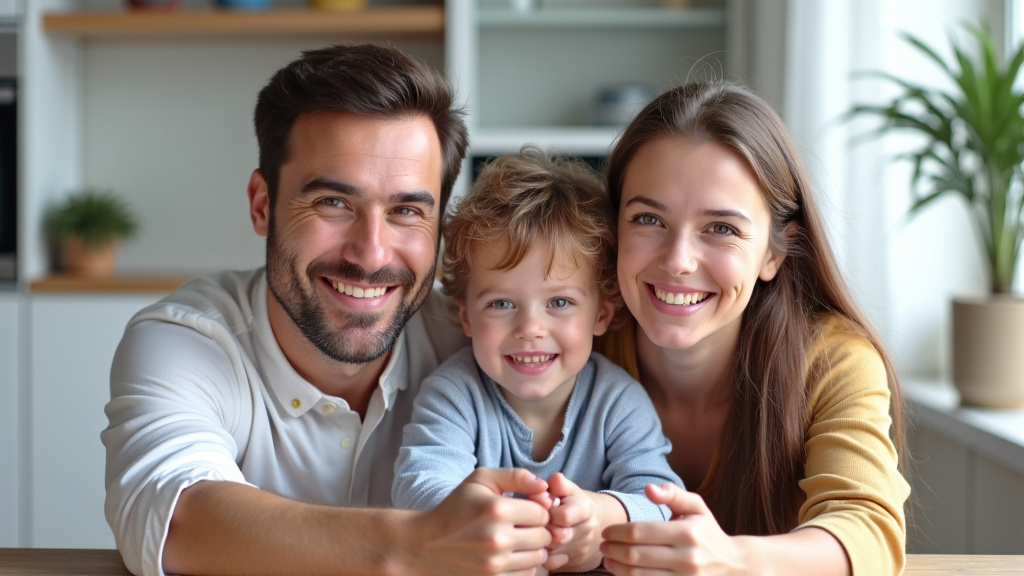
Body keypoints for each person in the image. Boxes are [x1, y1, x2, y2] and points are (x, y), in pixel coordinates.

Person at [102, 43, 557, 576]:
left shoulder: (483, 344)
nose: (371, 252)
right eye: (333, 203)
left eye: (406, 210)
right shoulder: (184, 341)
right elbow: (174, 523)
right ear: (262, 204)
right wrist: (414, 545)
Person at [593, 81, 911, 576]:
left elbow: (866, 529)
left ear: (775, 250)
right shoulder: (570, 344)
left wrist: (731, 559)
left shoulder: (831, 361)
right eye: (648, 218)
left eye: (720, 228)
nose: (678, 262)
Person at [392, 147, 683, 572]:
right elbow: (417, 482)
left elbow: (661, 501)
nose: (530, 328)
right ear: (465, 315)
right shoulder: (455, 391)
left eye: (560, 302)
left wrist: (603, 516)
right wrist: (470, 516)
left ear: (601, 313)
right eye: (501, 304)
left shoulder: (618, 401)